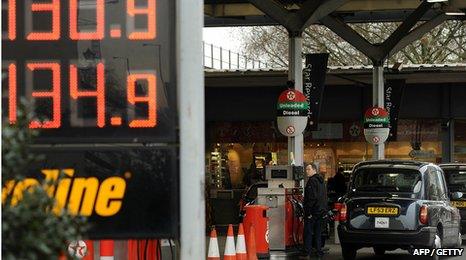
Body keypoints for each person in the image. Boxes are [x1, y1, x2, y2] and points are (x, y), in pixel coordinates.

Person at [303, 163, 328, 257]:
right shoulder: (321, 181)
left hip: (313, 212)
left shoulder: (312, 181)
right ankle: (318, 251)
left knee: (308, 232)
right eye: (306, 170)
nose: (306, 172)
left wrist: (308, 212)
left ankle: (307, 252)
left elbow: (311, 198)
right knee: (318, 233)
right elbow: (324, 196)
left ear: (314, 170)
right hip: (321, 211)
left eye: (308, 169)